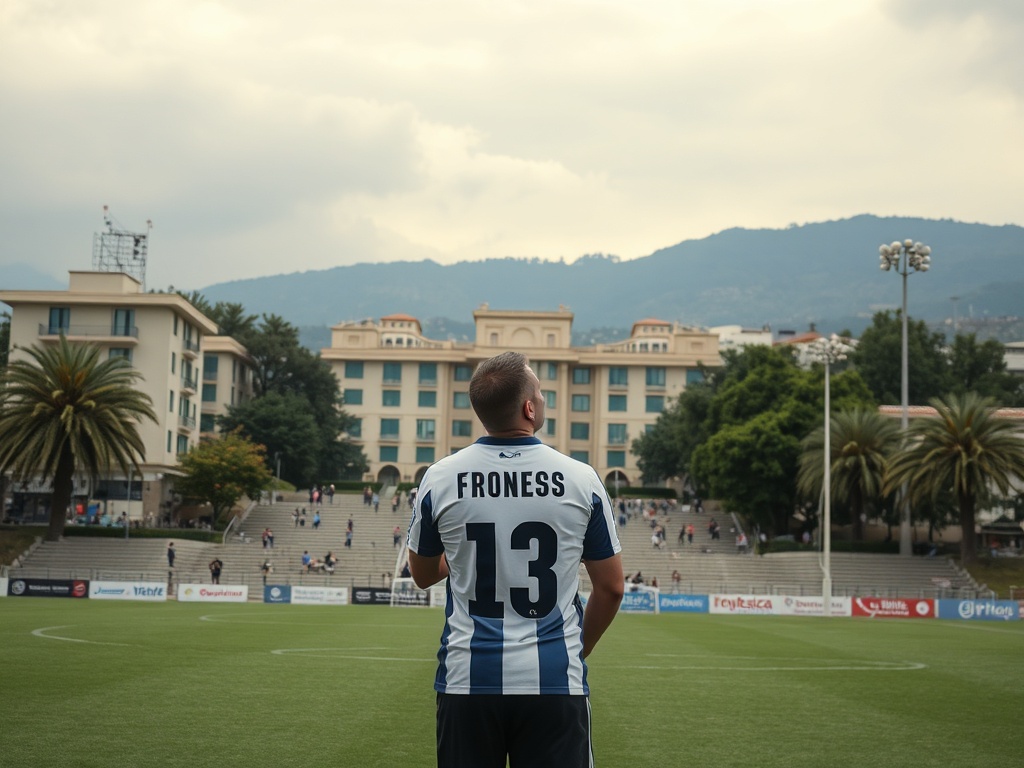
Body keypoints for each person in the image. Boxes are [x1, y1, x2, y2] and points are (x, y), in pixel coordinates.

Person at [407, 351, 624, 768]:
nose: (542, 399)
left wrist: (465, 553)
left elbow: (421, 575)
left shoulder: (439, 477)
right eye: (540, 392)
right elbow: (611, 587)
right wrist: (578, 650)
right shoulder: (581, 478)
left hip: (467, 680)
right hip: (554, 681)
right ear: (529, 408)